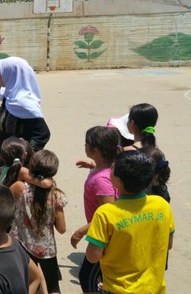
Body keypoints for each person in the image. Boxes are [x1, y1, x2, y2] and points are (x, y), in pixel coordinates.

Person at [85, 150, 175, 293]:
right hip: (155, 288)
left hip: (119, 288)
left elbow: (92, 256)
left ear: (118, 181)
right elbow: (168, 244)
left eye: (113, 168)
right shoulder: (162, 205)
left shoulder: (105, 213)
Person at [71, 126, 120, 294]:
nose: (84, 146)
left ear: (95, 150)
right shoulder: (109, 167)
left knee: (87, 276)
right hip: (102, 233)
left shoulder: (101, 180)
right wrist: (92, 165)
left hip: (103, 235)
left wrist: (80, 232)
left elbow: (108, 213)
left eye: (86, 144)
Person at [10, 150, 67, 294]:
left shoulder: (19, 188)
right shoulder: (56, 196)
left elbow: (5, 199)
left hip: (22, 244)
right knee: (53, 286)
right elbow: (62, 228)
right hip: (46, 248)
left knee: (28, 284)